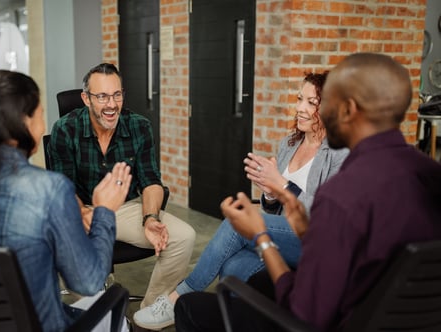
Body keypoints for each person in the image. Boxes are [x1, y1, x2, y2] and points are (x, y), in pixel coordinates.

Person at [174, 53, 441, 332]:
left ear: (347, 109)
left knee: (190, 307)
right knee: (243, 273)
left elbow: (304, 313)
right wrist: (303, 228)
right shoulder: (431, 175)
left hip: (328, 320)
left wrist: (262, 237)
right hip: (381, 314)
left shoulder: (342, 195)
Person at [133, 72, 348, 330]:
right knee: (233, 267)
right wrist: (269, 194)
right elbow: (274, 210)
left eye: (312, 103)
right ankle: (236, 321)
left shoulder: (339, 153)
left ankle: (179, 295)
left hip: (315, 241)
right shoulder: (289, 144)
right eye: (300, 99)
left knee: (238, 222)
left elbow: (324, 214)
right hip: (282, 235)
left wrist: (280, 185)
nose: (300, 108)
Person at [0, 69, 132, 332]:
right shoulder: (48, 190)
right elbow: (89, 282)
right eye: (40, 114)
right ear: (23, 121)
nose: (42, 127)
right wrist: (104, 211)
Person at [49, 63, 196, 309]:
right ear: (86, 99)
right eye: (102, 96)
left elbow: (150, 180)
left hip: (125, 208)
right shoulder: (65, 129)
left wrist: (150, 218)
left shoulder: (139, 126)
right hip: (82, 209)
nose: (111, 104)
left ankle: (149, 315)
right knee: (67, 245)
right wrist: (83, 213)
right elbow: (63, 187)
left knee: (183, 237)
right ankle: (99, 316)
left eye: (117, 95)